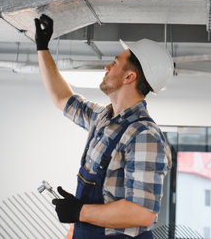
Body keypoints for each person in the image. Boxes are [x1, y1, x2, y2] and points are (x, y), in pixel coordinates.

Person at [34, 14, 173, 239]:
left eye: (115, 63)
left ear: (129, 76)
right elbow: (62, 98)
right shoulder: (104, 118)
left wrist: (80, 211)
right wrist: (42, 47)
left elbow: (142, 213)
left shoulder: (145, 136)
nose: (107, 66)